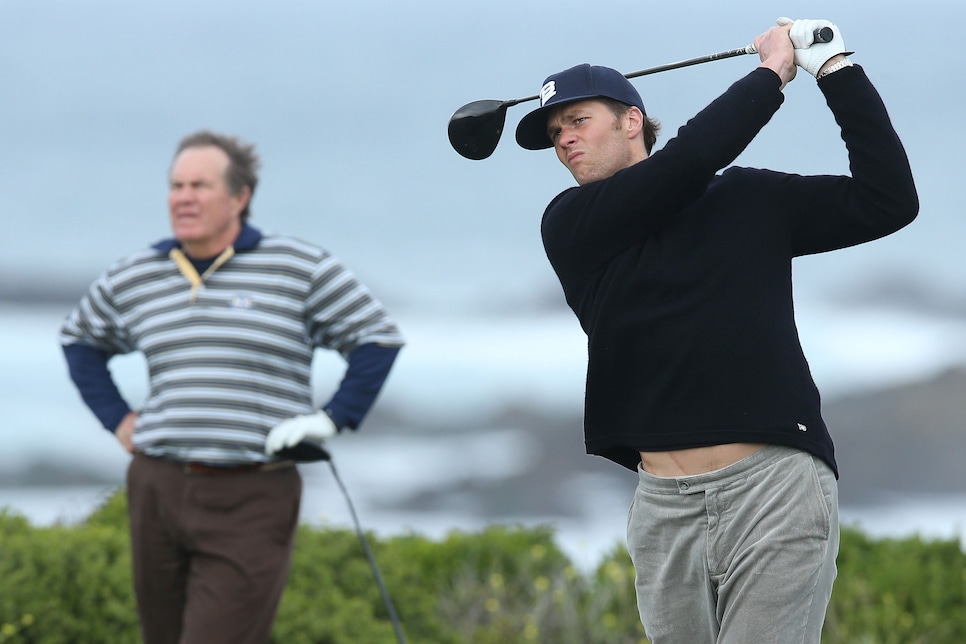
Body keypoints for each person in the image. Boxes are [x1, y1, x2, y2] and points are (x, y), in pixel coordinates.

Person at [514, 17, 917, 644]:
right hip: (664, 507)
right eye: (554, 132)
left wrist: (836, 70)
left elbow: (889, 200)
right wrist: (770, 74)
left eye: (577, 120)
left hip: (775, 486)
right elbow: (688, 162)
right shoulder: (571, 224)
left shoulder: (749, 201)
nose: (563, 140)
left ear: (630, 121)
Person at [60, 130, 405, 644]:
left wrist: (332, 418)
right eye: (176, 185)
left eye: (200, 184)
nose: (183, 196)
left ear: (239, 197)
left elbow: (377, 337)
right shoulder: (137, 274)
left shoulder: (298, 266)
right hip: (156, 486)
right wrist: (118, 420)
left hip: (252, 492)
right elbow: (80, 339)